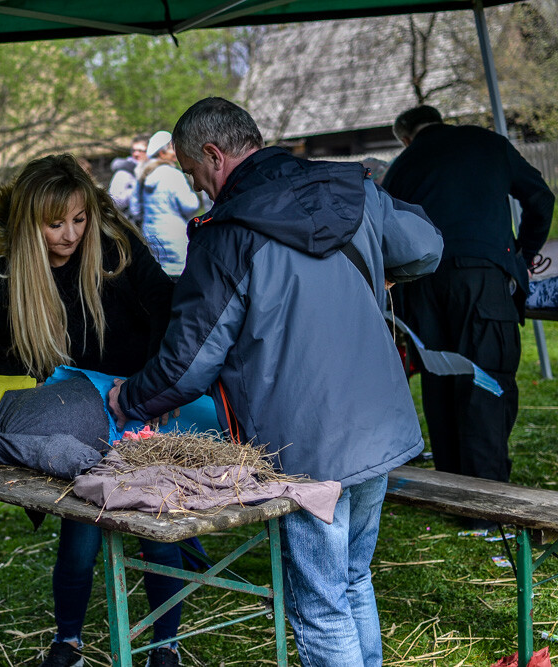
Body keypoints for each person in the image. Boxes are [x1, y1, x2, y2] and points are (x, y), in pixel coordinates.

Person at [107, 97, 443, 667]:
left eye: (194, 174)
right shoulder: (351, 189)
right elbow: (428, 246)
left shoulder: (226, 233)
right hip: (378, 420)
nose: (199, 190)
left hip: (309, 442)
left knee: (320, 604)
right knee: (354, 578)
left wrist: (129, 397)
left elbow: (191, 361)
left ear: (214, 155)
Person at [0, 154, 183, 667]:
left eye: (79, 219)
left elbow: (170, 311)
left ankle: (165, 645)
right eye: (54, 224)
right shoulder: (6, 272)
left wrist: (152, 391)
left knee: (154, 527)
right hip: (77, 414)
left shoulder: (115, 249)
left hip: (140, 403)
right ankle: (67, 641)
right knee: (79, 534)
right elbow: (11, 365)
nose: (70, 235)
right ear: (29, 223)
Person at [382, 105, 554, 491]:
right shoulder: (488, 143)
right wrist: (523, 254)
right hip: (481, 275)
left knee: (440, 376)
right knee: (486, 375)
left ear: (406, 137)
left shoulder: (403, 164)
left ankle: (453, 488)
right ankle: (486, 502)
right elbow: (540, 199)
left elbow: (386, 228)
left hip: (422, 281)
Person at [129, 130, 201, 277]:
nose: (175, 152)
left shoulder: (143, 175)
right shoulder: (173, 174)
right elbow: (190, 205)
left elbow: (134, 209)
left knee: (159, 276)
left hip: (151, 235)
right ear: (162, 153)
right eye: (171, 148)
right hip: (176, 236)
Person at [107, 134, 148, 224]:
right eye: (134, 150)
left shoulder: (149, 171)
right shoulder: (123, 173)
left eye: (141, 151)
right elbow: (114, 202)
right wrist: (136, 190)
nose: (136, 154)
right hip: (129, 225)